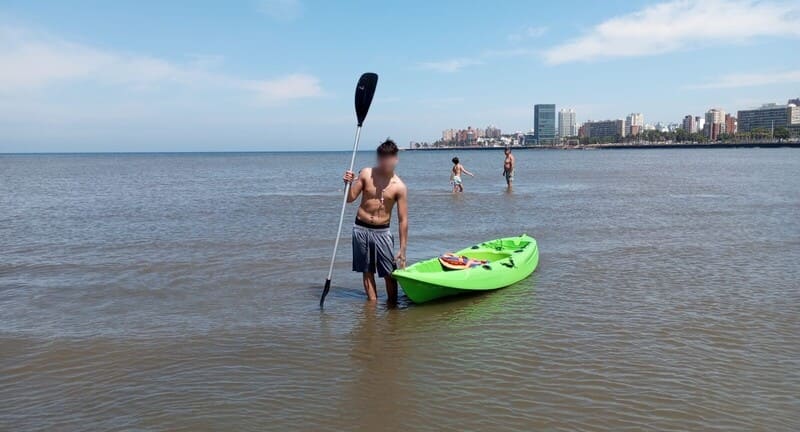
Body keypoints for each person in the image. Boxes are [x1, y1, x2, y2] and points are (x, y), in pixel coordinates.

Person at [342, 139, 408, 304]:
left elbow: (403, 220)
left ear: (395, 159)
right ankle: (371, 310)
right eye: (382, 158)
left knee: (389, 273)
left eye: (389, 158)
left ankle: (393, 309)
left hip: (382, 231)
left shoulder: (399, 187)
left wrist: (402, 249)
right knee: (367, 271)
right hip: (360, 228)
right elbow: (349, 199)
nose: (385, 162)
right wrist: (347, 184)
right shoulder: (366, 174)